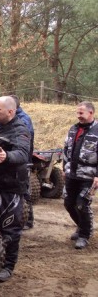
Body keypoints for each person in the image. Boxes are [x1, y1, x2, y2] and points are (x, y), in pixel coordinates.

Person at [0, 96, 31, 282]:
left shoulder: (20, 130)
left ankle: (8, 266)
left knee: (10, 229)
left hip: (11, 187)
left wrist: (8, 156)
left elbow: (23, 153)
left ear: (10, 112)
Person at [63, 101, 98, 250]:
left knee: (82, 203)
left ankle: (84, 235)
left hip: (89, 176)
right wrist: (64, 168)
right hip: (72, 173)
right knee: (68, 203)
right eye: (77, 113)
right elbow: (66, 149)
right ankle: (81, 226)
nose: (79, 116)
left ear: (91, 113)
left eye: (81, 113)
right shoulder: (73, 129)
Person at [11, 95, 35, 230]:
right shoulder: (18, 117)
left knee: (24, 190)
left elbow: (21, 139)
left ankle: (28, 220)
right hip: (18, 160)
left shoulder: (23, 120)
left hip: (22, 161)